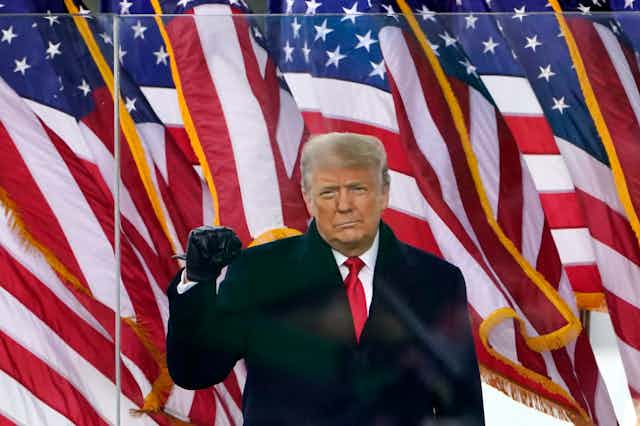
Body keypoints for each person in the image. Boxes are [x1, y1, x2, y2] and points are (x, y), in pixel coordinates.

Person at [166, 132, 484, 425]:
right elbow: (195, 370)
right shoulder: (260, 271)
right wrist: (198, 280)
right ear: (308, 198)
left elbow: (460, 407)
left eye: (358, 189)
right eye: (329, 191)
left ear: (384, 193)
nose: (344, 206)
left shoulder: (436, 280)